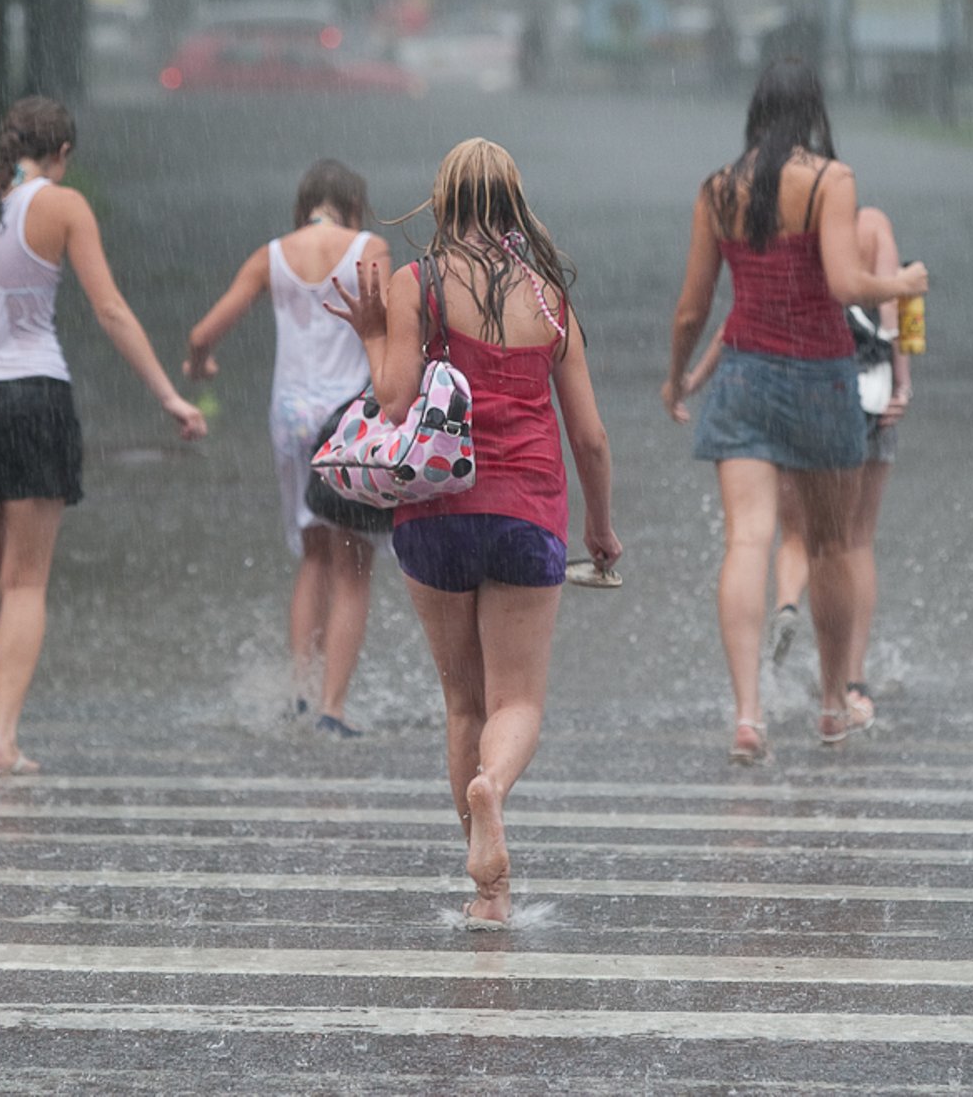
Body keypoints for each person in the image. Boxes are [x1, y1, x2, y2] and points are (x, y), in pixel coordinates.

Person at [329, 137, 619, 927]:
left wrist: (369, 333)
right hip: (528, 514)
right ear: (512, 201)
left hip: (435, 514)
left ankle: (486, 886)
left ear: (444, 200)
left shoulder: (415, 281)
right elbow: (589, 436)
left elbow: (391, 403)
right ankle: (496, 794)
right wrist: (601, 527)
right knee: (517, 697)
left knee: (462, 700)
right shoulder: (551, 297)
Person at [0, 96, 206, 775]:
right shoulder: (64, 208)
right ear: (61, 154)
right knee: (25, 579)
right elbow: (111, 310)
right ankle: (4, 740)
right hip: (35, 397)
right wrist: (169, 394)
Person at [664, 60, 926, 761]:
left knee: (749, 539)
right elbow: (843, 283)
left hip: (743, 375)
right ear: (813, 109)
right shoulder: (830, 182)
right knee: (833, 545)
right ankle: (834, 703)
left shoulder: (720, 189)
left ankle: (748, 713)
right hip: (821, 377)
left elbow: (694, 306)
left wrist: (675, 378)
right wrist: (897, 282)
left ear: (754, 109)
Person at [684, 205, 914, 732]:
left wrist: (689, 379)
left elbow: (741, 316)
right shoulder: (872, 225)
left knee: (793, 534)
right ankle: (851, 684)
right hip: (865, 394)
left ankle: (787, 601)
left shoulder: (772, 229)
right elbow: (895, 309)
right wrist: (902, 384)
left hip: (789, 390)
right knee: (853, 541)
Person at [184, 159, 392, 737]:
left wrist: (201, 365)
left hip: (290, 418)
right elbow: (393, 326)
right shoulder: (368, 247)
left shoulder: (272, 255)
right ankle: (332, 708)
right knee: (353, 567)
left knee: (315, 556)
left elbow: (203, 333)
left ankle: (299, 691)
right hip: (348, 422)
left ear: (305, 205)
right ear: (354, 204)